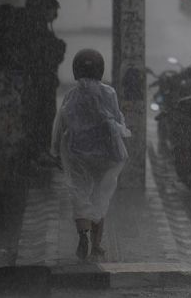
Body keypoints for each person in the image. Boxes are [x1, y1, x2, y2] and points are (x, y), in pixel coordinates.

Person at [50, 49, 131, 261]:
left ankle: (82, 235)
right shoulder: (109, 93)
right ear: (100, 69)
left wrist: (55, 151)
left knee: (79, 194)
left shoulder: (71, 95)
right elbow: (116, 120)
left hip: (76, 154)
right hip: (105, 155)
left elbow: (60, 125)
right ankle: (96, 245)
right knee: (99, 197)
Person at [18, 0, 66, 167]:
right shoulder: (33, 30)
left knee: (43, 116)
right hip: (38, 83)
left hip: (43, 82)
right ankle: (36, 153)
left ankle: (39, 152)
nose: (55, 14)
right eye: (52, 10)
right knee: (39, 117)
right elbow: (39, 56)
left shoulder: (38, 29)